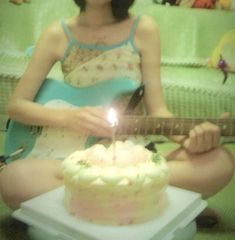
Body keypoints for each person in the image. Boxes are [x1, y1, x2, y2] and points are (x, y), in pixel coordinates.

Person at [0, 0, 234, 223]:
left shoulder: (144, 29)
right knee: (13, 180)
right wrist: (71, 117)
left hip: (134, 155)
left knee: (221, 161)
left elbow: (158, 111)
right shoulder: (57, 33)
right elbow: (17, 106)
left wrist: (190, 138)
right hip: (75, 159)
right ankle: (159, 206)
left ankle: (89, 208)